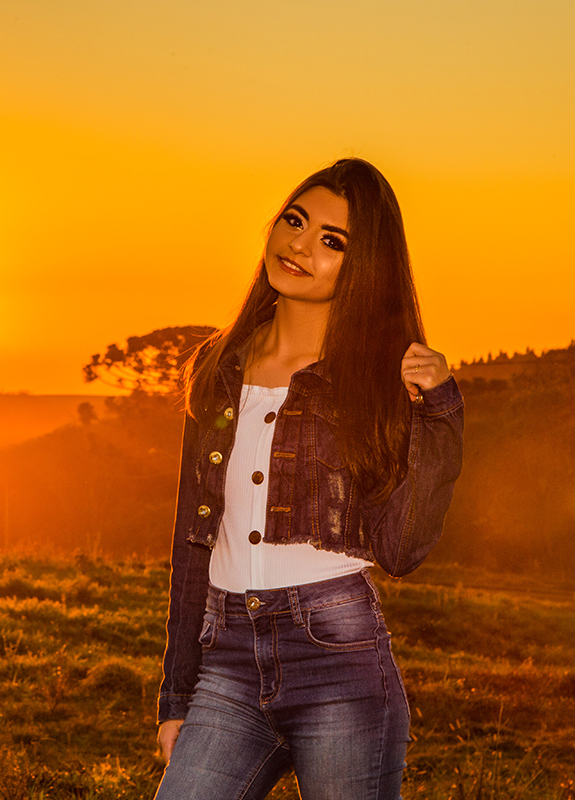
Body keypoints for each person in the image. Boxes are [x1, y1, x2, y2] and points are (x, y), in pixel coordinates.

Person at [154, 158, 463, 800]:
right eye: (295, 221)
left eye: (332, 241)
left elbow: (401, 549)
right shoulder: (219, 365)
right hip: (226, 660)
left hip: (338, 660)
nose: (299, 245)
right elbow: (191, 540)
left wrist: (439, 413)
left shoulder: (377, 379)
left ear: (362, 267)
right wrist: (177, 695)